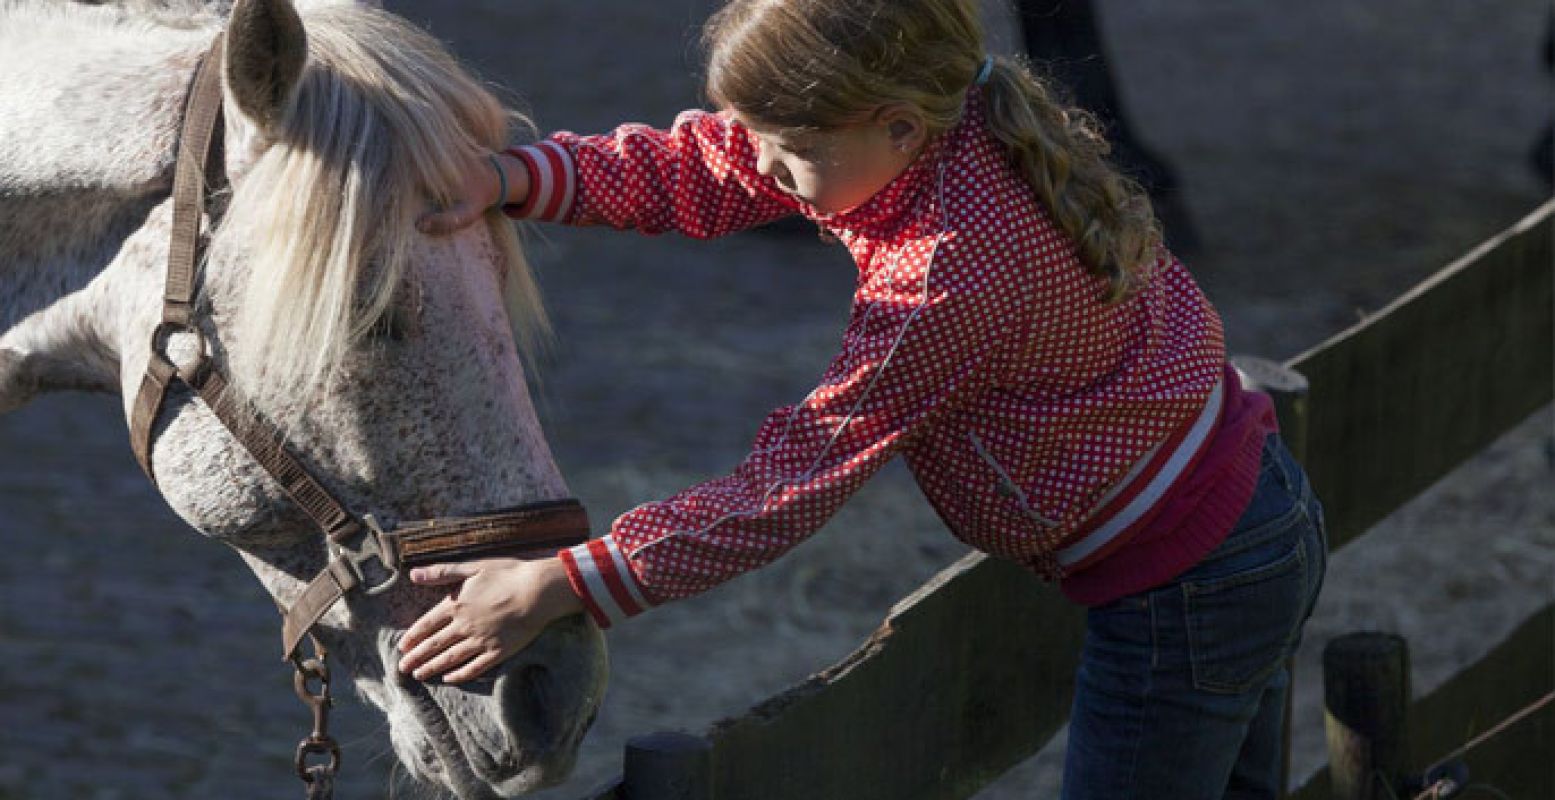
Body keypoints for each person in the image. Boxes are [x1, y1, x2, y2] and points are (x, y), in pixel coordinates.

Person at [399, 1, 1327, 797]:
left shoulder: (943, 277)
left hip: (1181, 591)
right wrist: (518, 176)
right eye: (756, 133)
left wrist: (564, 582)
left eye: (791, 148)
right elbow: (709, 164)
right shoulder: (949, 118)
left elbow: (796, 477)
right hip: (1243, 510)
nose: (761, 166)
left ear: (894, 127)